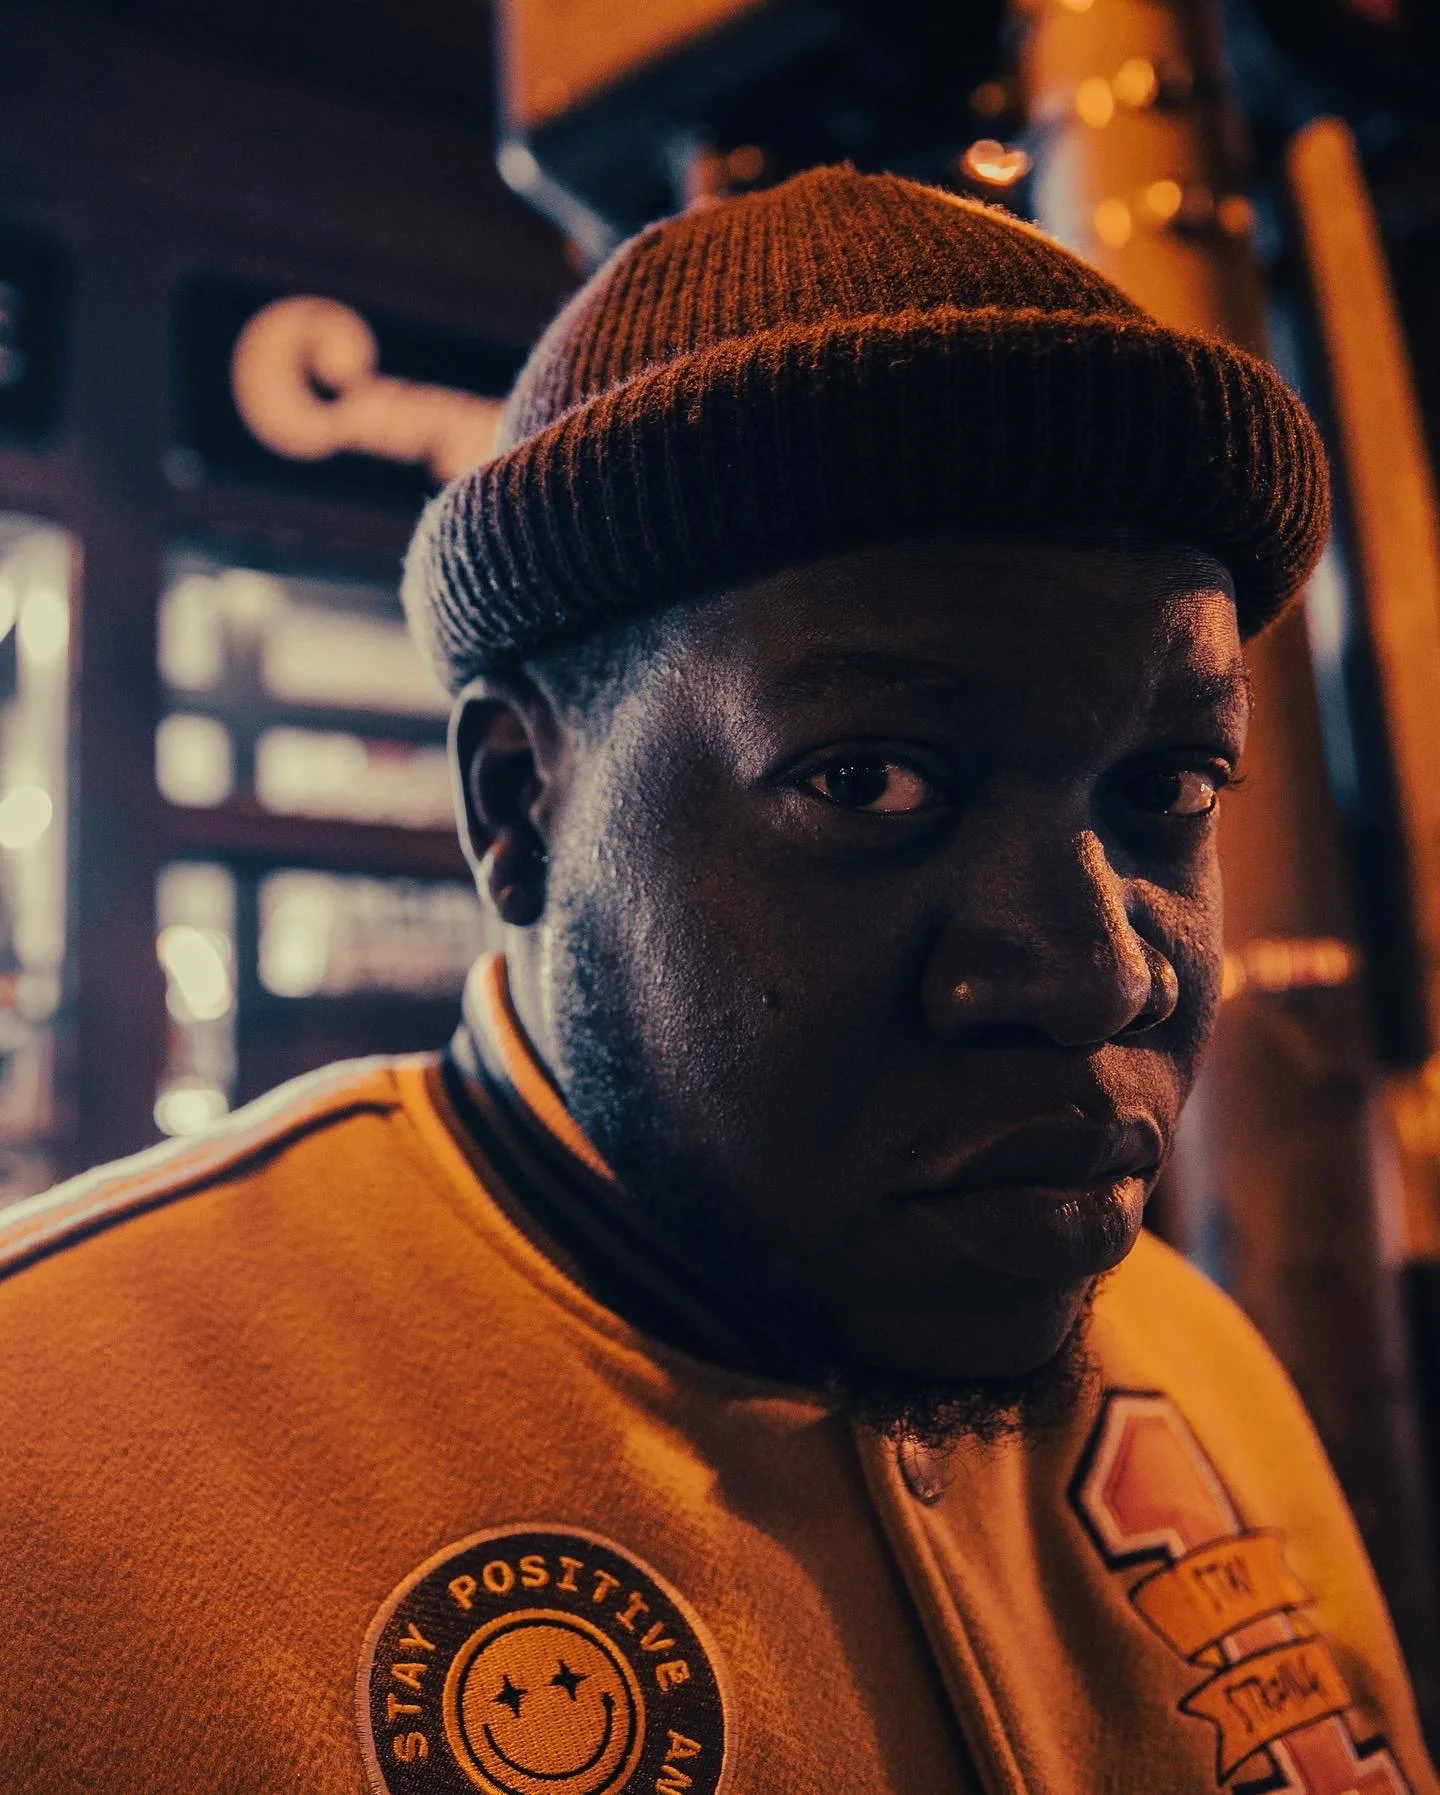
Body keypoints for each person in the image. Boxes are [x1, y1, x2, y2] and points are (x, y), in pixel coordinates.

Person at [0, 167, 1433, 1795]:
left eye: (1170, 786)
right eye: (870, 783)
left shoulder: (1202, 1362)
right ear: (518, 809)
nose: (1096, 971)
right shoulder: (44, 1463)